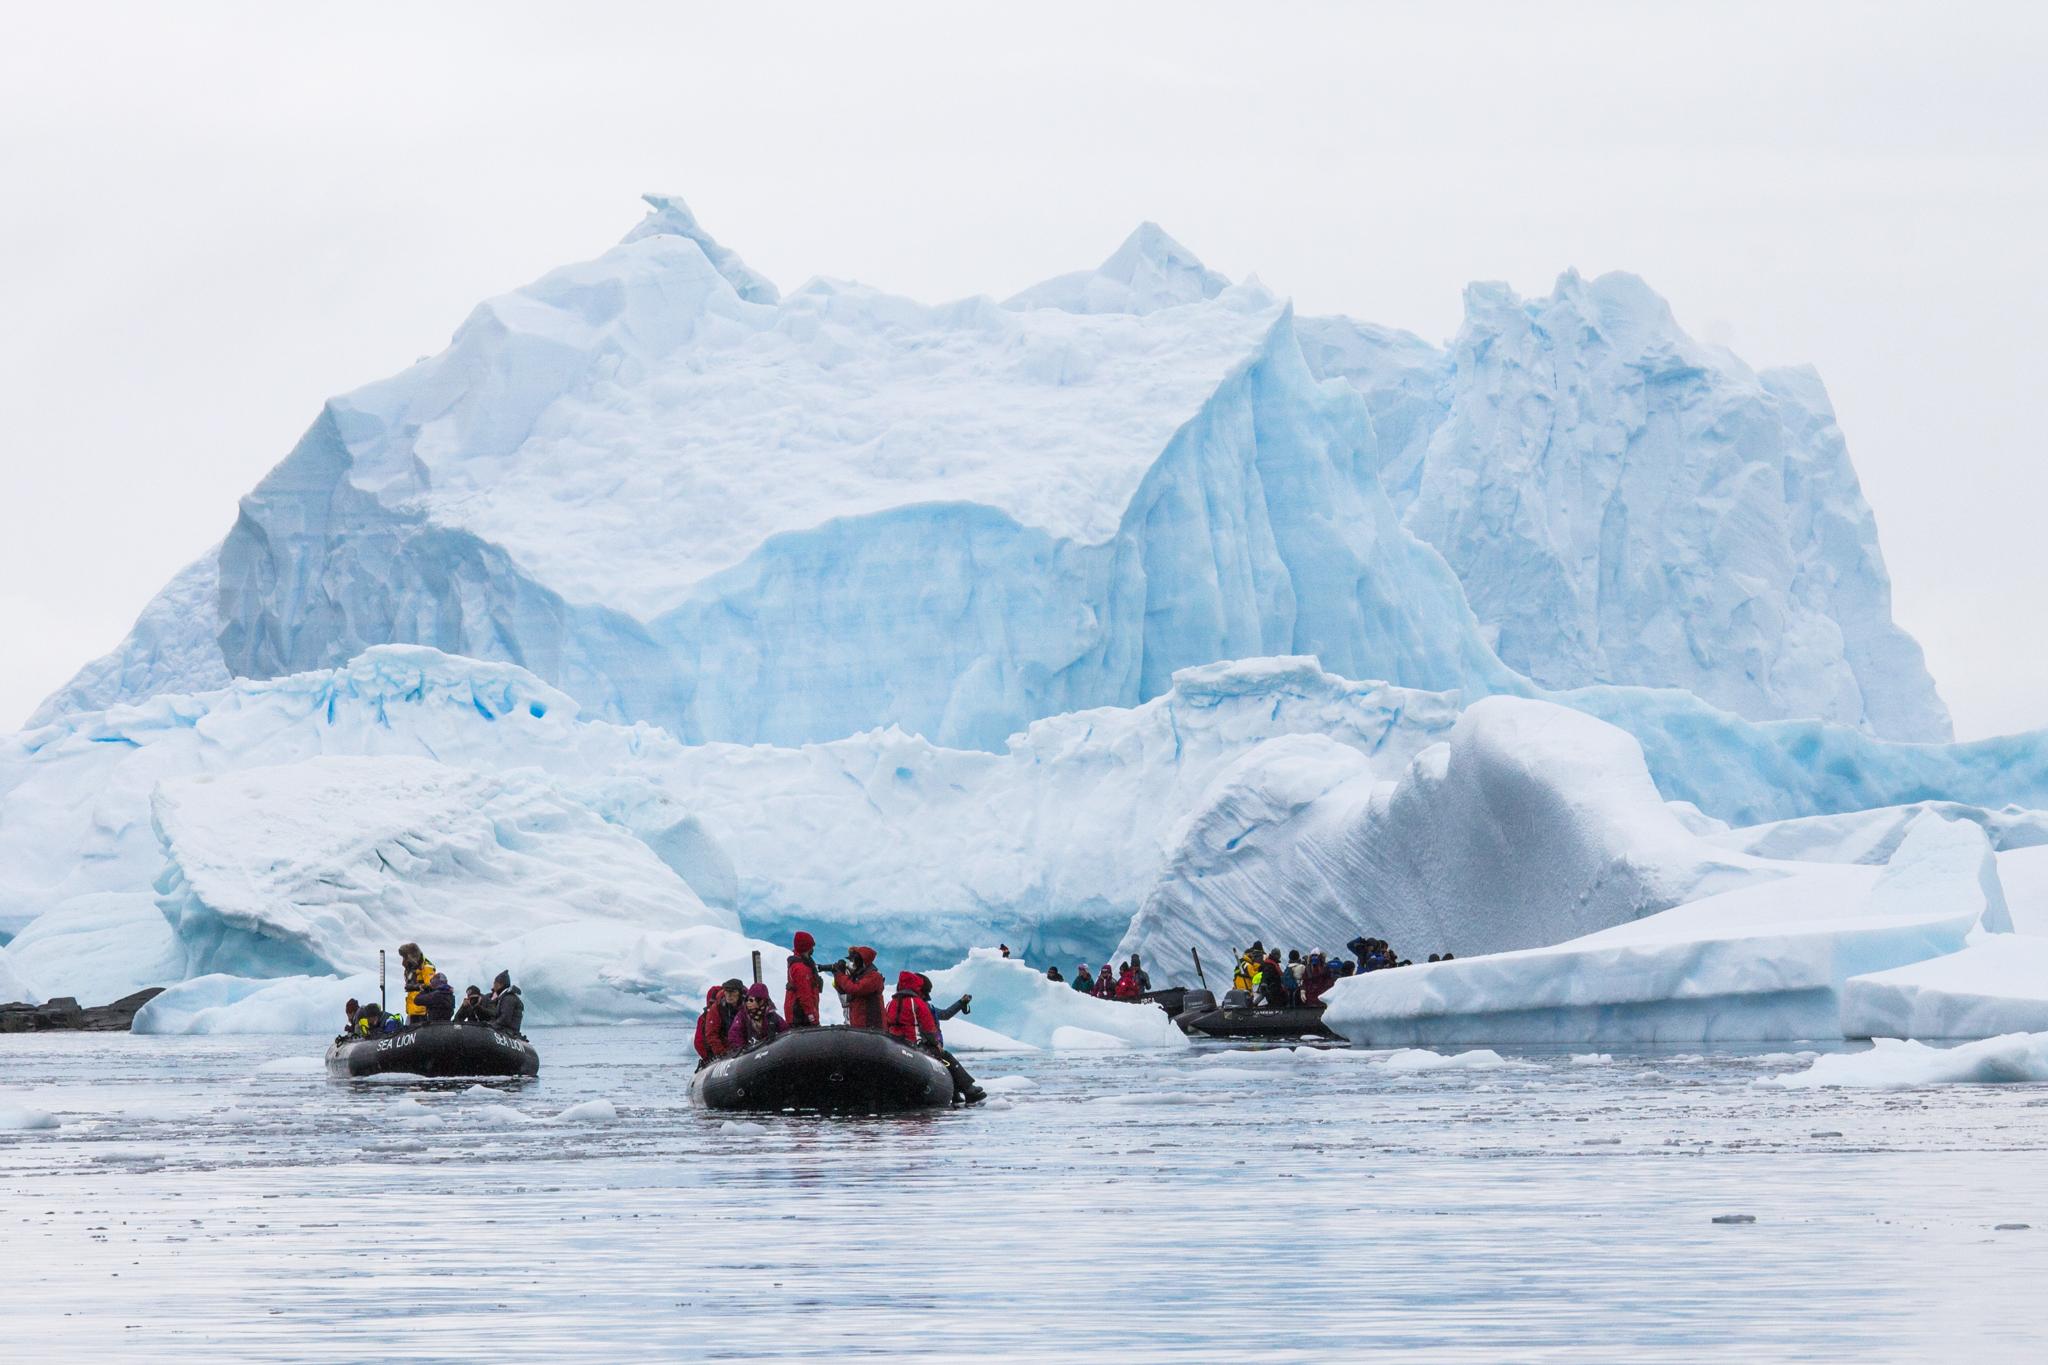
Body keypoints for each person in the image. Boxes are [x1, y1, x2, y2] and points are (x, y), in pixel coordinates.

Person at [907, 974, 986, 1104]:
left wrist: (961, 1003)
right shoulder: (922, 1007)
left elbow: (944, 1014)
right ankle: (967, 1089)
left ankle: (955, 1093)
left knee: (945, 1064)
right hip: (927, 1046)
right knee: (946, 1060)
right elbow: (928, 1025)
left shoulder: (924, 1006)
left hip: (925, 1045)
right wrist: (933, 1043)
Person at [828, 947, 886, 1030]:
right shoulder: (858, 975)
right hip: (859, 1022)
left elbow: (854, 989)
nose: (851, 963)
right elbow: (843, 990)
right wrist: (838, 974)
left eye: (853, 960)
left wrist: (840, 975)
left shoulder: (873, 977)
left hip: (871, 1025)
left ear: (860, 961)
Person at [694, 979, 746, 1069]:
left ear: (739, 993)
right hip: (724, 1049)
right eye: (727, 991)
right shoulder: (717, 1008)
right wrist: (723, 1054)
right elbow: (711, 1035)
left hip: (743, 1047)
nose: (729, 995)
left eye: (733, 991)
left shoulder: (749, 1003)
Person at [726, 983, 786, 1051]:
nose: (748, 1002)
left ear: (761, 1001)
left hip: (769, 1051)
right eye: (747, 1000)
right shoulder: (742, 1015)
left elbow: (785, 1031)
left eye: (751, 1000)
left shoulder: (772, 1015)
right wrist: (741, 1049)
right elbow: (734, 1033)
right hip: (749, 1052)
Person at [785, 931, 823, 1028]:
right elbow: (805, 996)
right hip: (800, 1015)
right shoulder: (801, 968)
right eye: (811, 947)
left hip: (798, 1012)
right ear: (806, 947)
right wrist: (813, 1018)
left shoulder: (801, 963)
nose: (812, 949)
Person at [398, 942, 438, 1024]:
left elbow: (431, 987)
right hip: (412, 1010)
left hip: (422, 1011)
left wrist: (415, 987)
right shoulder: (411, 969)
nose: (404, 961)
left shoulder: (426, 968)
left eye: (405, 957)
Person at [485, 970, 524, 1035]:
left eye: (495, 983)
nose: (493, 987)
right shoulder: (504, 997)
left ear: (500, 984)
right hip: (505, 1030)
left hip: (509, 1032)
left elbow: (505, 1019)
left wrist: (491, 1025)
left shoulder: (508, 998)